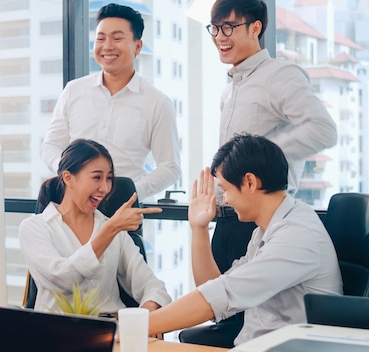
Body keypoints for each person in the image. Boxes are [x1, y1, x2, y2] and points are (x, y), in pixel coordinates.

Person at [185, 0, 338, 346]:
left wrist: (256, 162)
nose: (220, 37)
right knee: (221, 314)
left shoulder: (278, 76)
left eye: (229, 27)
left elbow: (323, 130)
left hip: (258, 215)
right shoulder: (229, 89)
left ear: (256, 28)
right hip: (230, 218)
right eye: (214, 28)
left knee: (232, 309)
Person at [149, 134, 342, 346]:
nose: (226, 199)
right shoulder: (265, 230)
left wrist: (138, 326)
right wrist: (199, 228)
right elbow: (216, 294)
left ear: (249, 182)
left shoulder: (297, 235)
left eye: (225, 189)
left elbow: (221, 296)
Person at [40, 3, 181, 201]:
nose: (107, 46)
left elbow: (170, 168)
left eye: (117, 38)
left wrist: (129, 193)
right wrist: (70, 177)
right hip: (71, 205)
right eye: (100, 38)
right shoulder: (74, 90)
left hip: (121, 209)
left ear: (137, 46)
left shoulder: (157, 102)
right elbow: (50, 146)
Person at [19, 139, 171, 315]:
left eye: (109, 178)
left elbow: (153, 287)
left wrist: (146, 316)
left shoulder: (115, 232)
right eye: (97, 177)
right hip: (58, 333)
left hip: (112, 332)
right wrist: (110, 230)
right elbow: (63, 280)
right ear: (68, 178)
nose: (105, 188)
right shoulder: (34, 228)